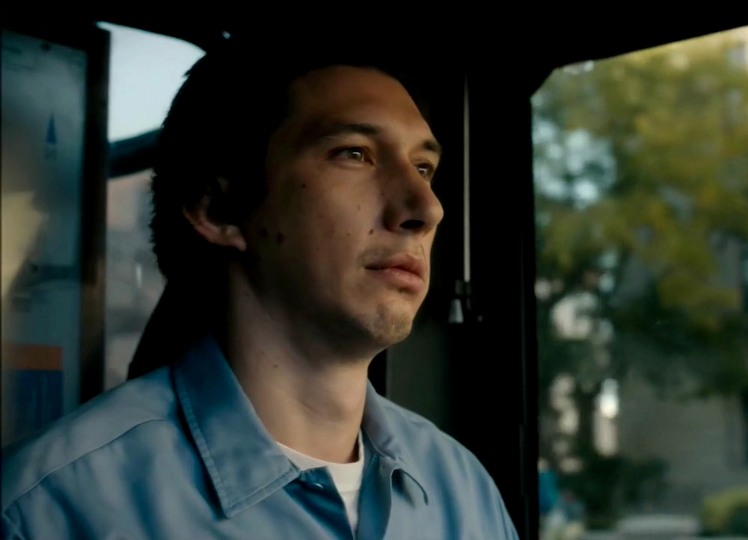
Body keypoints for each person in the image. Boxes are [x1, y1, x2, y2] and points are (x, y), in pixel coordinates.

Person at [1, 35, 518, 539]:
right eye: (355, 154)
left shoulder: (463, 489)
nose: (427, 208)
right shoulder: (50, 509)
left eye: (424, 168)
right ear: (219, 210)